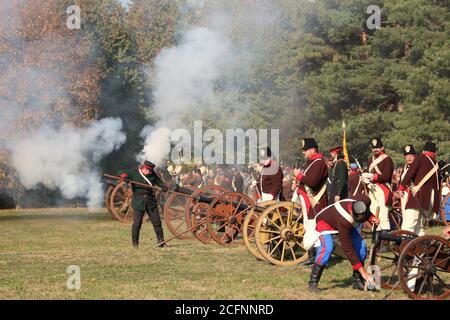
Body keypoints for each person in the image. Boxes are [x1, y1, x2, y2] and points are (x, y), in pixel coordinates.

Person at [307, 195, 380, 293]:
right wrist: (363, 272)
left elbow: (365, 212)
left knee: (362, 247)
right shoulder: (344, 219)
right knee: (327, 249)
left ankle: (357, 281)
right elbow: (347, 248)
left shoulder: (358, 203)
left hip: (345, 223)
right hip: (325, 223)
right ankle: (313, 283)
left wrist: (371, 218)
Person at [293, 138, 328, 266]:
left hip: (315, 202)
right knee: (309, 227)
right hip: (309, 201)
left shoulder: (319, 163)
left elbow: (312, 182)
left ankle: (318, 258)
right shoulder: (312, 162)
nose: (303, 153)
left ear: (312, 150)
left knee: (315, 228)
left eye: (305, 150)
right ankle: (311, 257)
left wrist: (299, 175)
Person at [394, 142, 441, 236]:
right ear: (434, 153)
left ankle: (405, 246)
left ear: (423, 151)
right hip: (429, 200)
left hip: (417, 197)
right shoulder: (436, 164)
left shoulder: (420, 158)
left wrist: (400, 189)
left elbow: (410, 173)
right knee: (419, 226)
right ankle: (420, 247)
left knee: (408, 225)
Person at [119, 161, 169, 248]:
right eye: (149, 171)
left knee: (157, 222)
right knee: (137, 224)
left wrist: (163, 186)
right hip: (138, 201)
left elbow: (158, 181)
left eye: (151, 171)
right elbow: (120, 172)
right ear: (144, 168)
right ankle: (135, 244)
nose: (150, 173)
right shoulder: (134, 172)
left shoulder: (152, 174)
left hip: (151, 201)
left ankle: (161, 242)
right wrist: (125, 178)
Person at [361, 138, 394, 233]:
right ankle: (377, 240)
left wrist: (372, 176)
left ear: (382, 147)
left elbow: (386, 176)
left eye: (378, 147)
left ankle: (385, 242)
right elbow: (367, 172)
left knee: (383, 215)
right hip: (372, 189)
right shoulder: (370, 159)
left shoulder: (387, 159)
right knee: (374, 214)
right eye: (373, 148)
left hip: (383, 190)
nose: (375, 149)